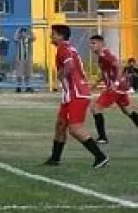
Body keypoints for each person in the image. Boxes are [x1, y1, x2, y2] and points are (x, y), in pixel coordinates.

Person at [43, 25, 108, 168]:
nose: (51, 37)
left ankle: (100, 156)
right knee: (60, 125)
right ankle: (55, 159)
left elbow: (70, 66)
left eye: (53, 34)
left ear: (60, 36)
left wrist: (60, 75)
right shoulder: (68, 48)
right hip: (71, 94)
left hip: (76, 94)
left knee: (75, 128)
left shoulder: (63, 48)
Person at [88, 35, 138, 144]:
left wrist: (116, 83)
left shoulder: (105, 54)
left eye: (94, 43)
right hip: (121, 87)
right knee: (127, 110)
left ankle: (102, 138)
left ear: (101, 44)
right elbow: (105, 72)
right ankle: (102, 137)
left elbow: (119, 66)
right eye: (91, 43)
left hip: (116, 87)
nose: (91, 46)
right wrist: (95, 84)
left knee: (95, 109)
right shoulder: (101, 56)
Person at [13, 27, 35, 93]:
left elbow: (34, 38)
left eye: (25, 32)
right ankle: (18, 87)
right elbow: (14, 38)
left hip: (28, 58)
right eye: (22, 32)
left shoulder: (29, 39)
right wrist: (18, 29)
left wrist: (29, 31)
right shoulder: (18, 39)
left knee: (28, 73)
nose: (23, 33)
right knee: (19, 73)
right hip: (20, 58)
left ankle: (28, 86)